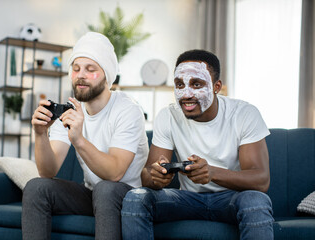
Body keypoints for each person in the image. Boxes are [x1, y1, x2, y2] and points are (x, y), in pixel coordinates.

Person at [121, 49, 274, 240]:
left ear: (216, 86)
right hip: (187, 199)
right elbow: (147, 177)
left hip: (231, 199)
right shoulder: (168, 116)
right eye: (179, 84)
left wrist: (213, 173)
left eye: (196, 84)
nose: (186, 94)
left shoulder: (244, 114)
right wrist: (157, 177)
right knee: (136, 197)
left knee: (256, 201)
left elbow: (261, 180)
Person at [21, 32, 149, 240]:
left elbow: (115, 173)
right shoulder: (70, 111)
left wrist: (78, 139)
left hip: (126, 196)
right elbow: (47, 170)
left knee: (106, 189)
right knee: (37, 186)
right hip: (92, 195)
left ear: (107, 75)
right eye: (76, 68)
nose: (81, 75)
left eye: (91, 70)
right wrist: (40, 133)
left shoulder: (127, 110)